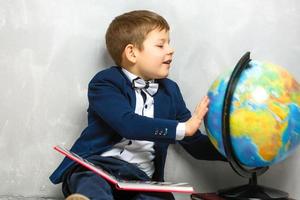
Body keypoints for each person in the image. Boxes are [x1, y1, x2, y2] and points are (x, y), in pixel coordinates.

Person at [50, 10, 225, 200]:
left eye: (169, 43)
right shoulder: (105, 83)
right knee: (90, 182)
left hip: (141, 179)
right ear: (132, 53)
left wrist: (234, 152)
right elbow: (128, 124)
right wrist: (184, 128)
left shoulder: (171, 91)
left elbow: (194, 143)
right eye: (160, 45)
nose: (170, 49)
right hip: (99, 166)